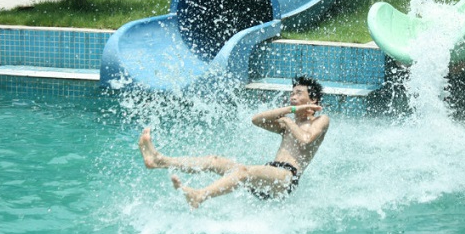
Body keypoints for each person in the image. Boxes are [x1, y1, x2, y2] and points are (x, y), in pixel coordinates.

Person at [138, 75, 330, 208]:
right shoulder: (288, 122)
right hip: (268, 176)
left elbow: (306, 140)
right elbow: (257, 120)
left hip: (287, 178)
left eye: (298, 93)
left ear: (313, 99)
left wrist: (288, 120)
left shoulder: (321, 120)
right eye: (292, 93)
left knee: (244, 171)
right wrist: (290, 111)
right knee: (214, 161)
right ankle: (160, 161)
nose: (293, 96)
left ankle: (200, 195)